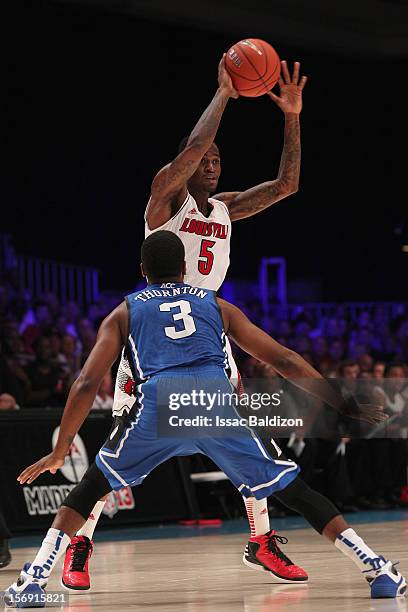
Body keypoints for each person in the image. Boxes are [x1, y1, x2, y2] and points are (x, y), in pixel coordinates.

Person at [5, 232, 405, 606]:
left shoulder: (123, 311)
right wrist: (344, 404)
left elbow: (87, 381)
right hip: (214, 400)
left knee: (90, 488)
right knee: (292, 489)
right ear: (184, 268)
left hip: (160, 405)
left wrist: (59, 451)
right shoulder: (215, 303)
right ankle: (375, 568)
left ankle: (35, 579)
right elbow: (283, 359)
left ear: (142, 271)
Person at [61, 54, 309, 588]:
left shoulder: (225, 209)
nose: (214, 165)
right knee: (118, 443)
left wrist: (290, 114)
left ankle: (261, 540)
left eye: (220, 161)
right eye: (206, 159)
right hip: (154, 336)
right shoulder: (162, 205)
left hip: (208, 337)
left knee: (242, 438)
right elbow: (193, 148)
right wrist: (224, 94)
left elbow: (286, 185)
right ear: (184, 166)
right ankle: (79, 544)